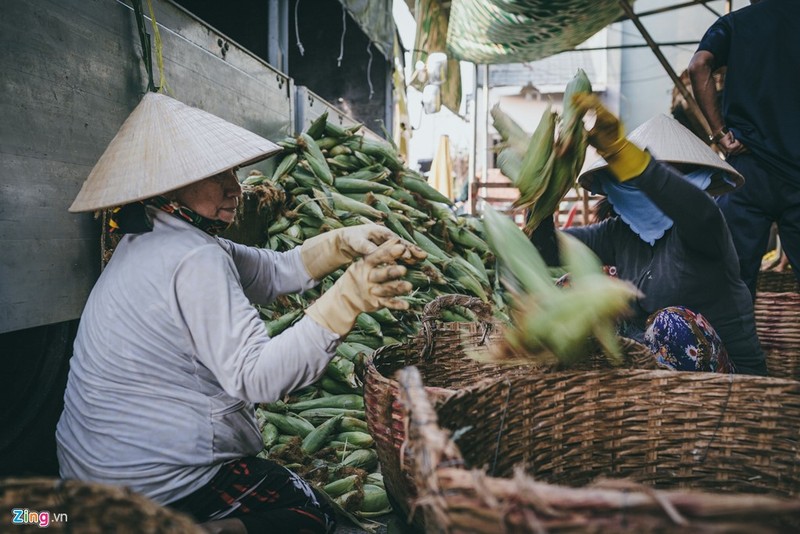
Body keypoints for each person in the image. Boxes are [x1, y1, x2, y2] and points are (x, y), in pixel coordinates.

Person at [56, 92, 426, 534]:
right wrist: (347, 300)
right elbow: (259, 378)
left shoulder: (152, 240)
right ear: (168, 187)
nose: (237, 187)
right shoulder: (191, 257)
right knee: (311, 515)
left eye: (232, 171)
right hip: (152, 486)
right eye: (217, 175)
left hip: (84, 479)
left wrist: (342, 242)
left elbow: (274, 270)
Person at [530, 94, 766, 376]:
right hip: (651, 374)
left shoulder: (704, 226)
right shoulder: (618, 233)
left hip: (729, 382)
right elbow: (546, 251)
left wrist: (629, 158)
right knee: (573, 288)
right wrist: (544, 195)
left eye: (668, 174)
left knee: (670, 324)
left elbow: (694, 207)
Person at [688, 0, 800, 298]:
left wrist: (719, 132)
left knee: (734, 282)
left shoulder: (736, 23)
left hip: (746, 172)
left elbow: (698, 65)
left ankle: (740, 347)